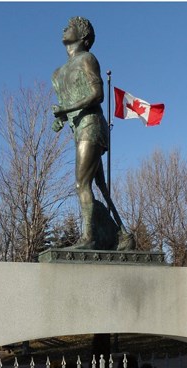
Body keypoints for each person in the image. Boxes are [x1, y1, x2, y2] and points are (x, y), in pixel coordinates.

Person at [51, 16, 132, 250]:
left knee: (81, 184)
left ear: (83, 37)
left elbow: (98, 95)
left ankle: (88, 238)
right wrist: (62, 117)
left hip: (92, 126)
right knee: (100, 186)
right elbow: (72, 101)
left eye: (71, 27)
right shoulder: (57, 73)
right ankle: (124, 235)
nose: (65, 28)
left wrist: (65, 109)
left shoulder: (87, 59)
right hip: (79, 130)